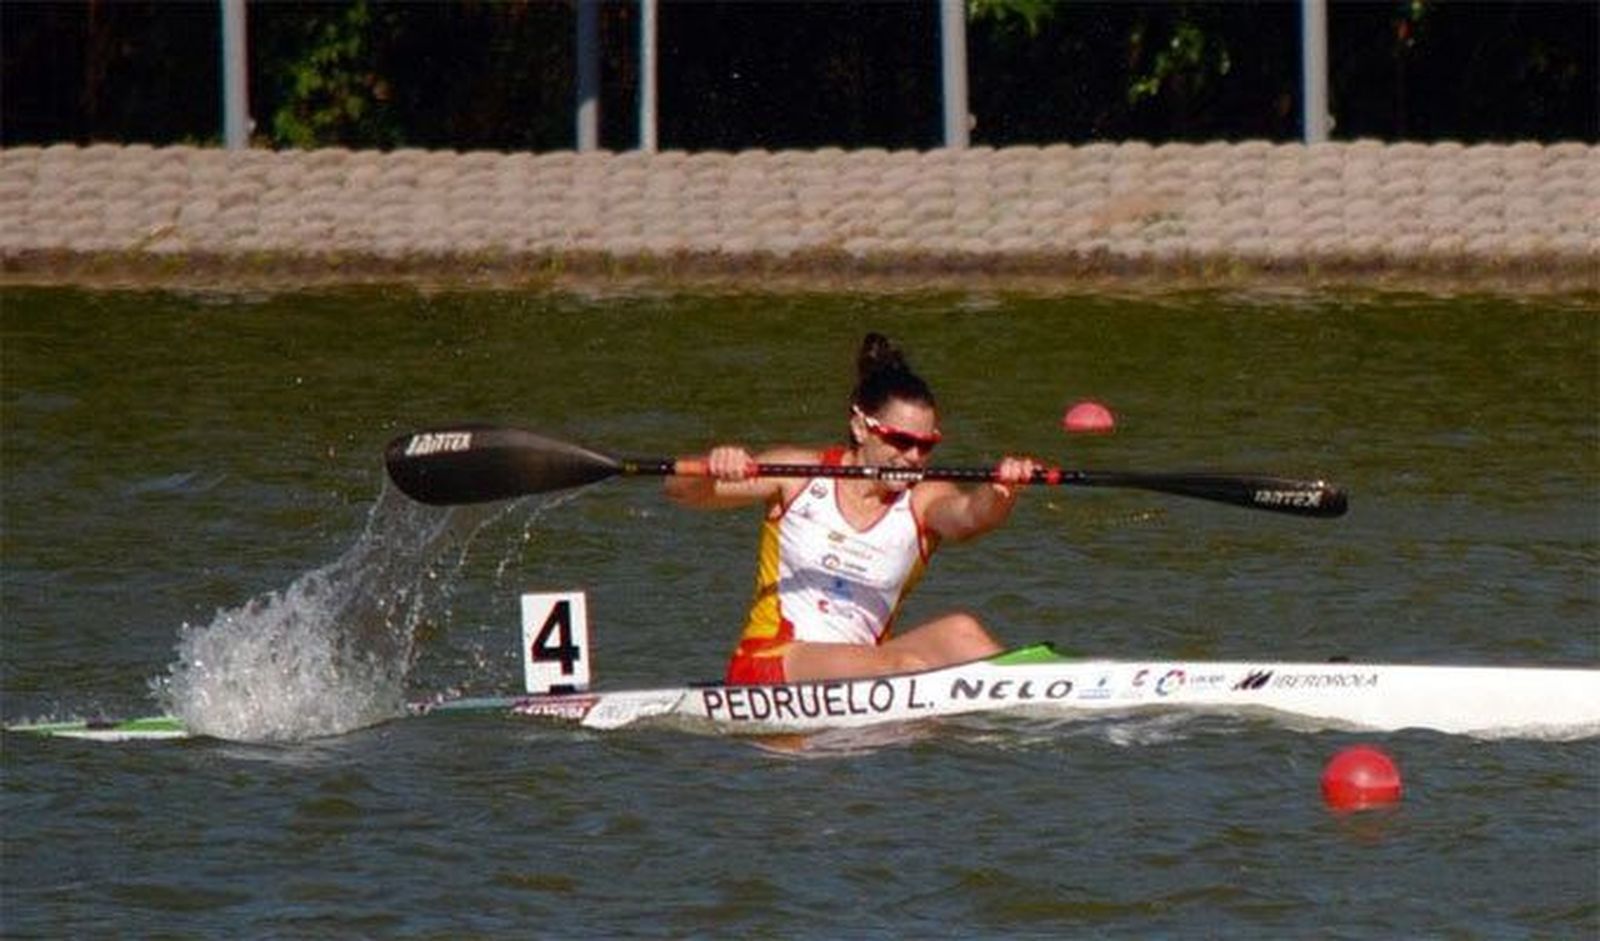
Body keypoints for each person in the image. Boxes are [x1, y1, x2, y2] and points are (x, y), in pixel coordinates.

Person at [665, 333, 1042, 686]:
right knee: (906, 668)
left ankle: (1049, 693)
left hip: (866, 664)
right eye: (900, 440)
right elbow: (680, 491)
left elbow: (970, 518)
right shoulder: (796, 475)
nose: (912, 457)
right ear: (861, 427)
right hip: (771, 661)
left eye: (925, 446)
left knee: (961, 631)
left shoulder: (922, 498)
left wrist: (1002, 491)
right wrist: (713, 467)